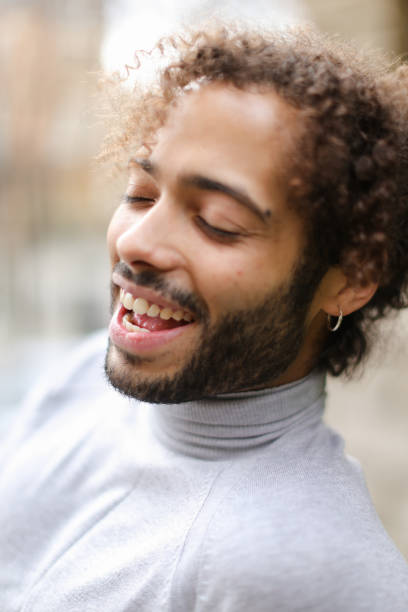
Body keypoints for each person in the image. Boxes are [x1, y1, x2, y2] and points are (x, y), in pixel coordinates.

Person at [1, 24, 408, 611]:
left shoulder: (300, 570)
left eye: (217, 221)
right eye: (140, 193)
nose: (137, 241)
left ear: (348, 279)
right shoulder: (76, 381)